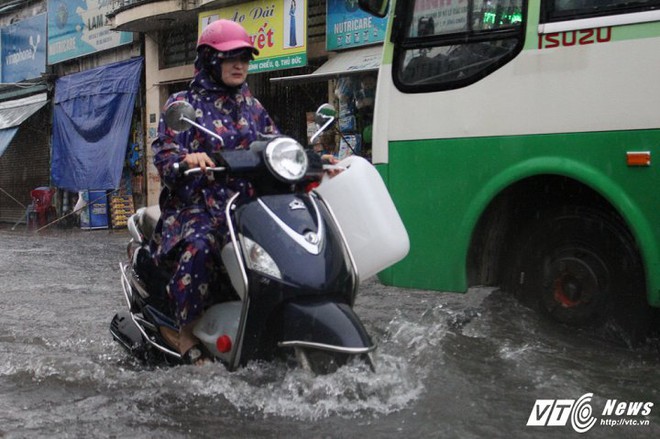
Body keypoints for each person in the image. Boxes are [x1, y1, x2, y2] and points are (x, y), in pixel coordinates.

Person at [150, 19, 278, 365]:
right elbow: (163, 153)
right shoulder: (183, 104)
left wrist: (312, 158)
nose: (239, 64)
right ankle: (185, 333)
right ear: (209, 59)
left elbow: (275, 144)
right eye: (230, 57)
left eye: (245, 57)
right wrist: (185, 157)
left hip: (245, 207)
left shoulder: (252, 106)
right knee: (203, 243)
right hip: (197, 207)